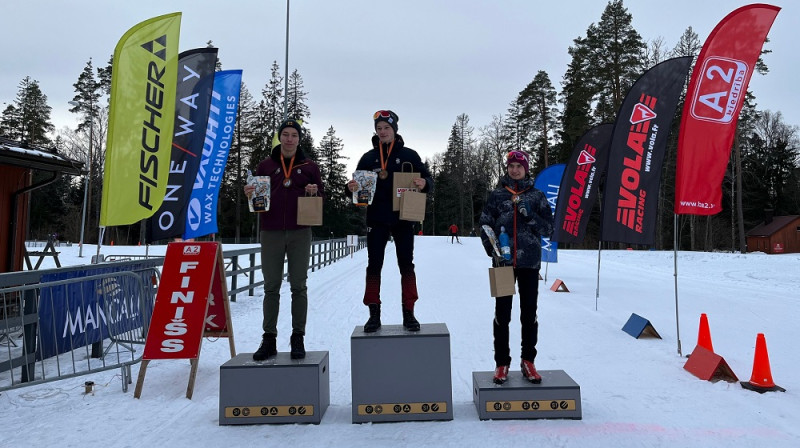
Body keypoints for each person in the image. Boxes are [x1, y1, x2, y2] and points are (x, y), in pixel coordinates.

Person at [347, 110, 433, 333]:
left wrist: (425, 183)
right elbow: (356, 191)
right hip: (376, 219)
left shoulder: (410, 156)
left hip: (404, 219)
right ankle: (373, 313)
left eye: (386, 128)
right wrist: (351, 190)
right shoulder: (368, 158)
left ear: (395, 130)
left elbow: (428, 179)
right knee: (374, 266)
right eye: (379, 128)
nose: (383, 132)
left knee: (406, 265)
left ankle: (409, 312)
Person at [244, 117, 324, 361]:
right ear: (280, 137)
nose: (290, 139)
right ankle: (269, 339)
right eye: (286, 134)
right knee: (271, 287)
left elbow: (321, 195)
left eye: (294, 135)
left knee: (299, 285)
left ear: (300, 139)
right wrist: (249, 192)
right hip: (271, 231)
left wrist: (314, 191)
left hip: (300, 231)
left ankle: (297, 337)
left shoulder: (310, 166)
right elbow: (257, 196)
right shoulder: (265, 165)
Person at [479, 150, 553, 385]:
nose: (514, 169)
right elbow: (484, 224)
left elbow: (549, 230)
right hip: (502, 262)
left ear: (526, 168)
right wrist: (491, 248)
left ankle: (528, 361)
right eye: (511, 165)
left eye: (519, 166)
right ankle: (502, 363)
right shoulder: (497, 195)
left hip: (529, 262)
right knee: (502, 314)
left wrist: (530, 216)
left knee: (529, 313)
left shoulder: (537, 196)